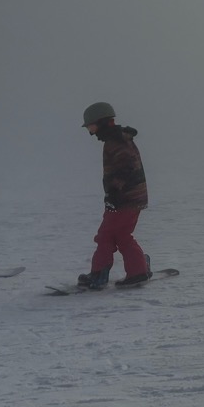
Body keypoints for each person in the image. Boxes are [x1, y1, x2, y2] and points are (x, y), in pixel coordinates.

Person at [79, 102, 150, 288]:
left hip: (125, 198)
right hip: (130, 197)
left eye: (90, 126)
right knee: (115, 235)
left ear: (100, 122)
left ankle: (106, 274)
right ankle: (136, 269)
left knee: (110, 235)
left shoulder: (116, 141)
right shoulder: (118, 138)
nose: (89, 131)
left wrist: (113, 192)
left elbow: (126, 168)